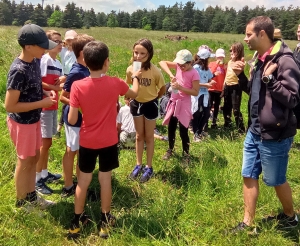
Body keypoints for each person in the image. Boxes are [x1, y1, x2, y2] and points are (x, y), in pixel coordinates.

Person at [232, 16, 300, 233]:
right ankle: (247, 223)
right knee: (248, 174)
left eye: (249, 34)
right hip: (254, 131)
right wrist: (242, 77)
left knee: (275, 180)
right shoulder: (260, 58)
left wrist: (271, 81)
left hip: (276, 133)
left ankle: (290, 217)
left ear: (262, 34)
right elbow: (254, 91)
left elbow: (292, 98)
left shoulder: (285, 60)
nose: (245, 39)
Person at [67, 41, 140, 238]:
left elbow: (72, 118)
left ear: (86, 61)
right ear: (106, 62)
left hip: (87, 140)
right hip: (108, 141)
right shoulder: (115, 82)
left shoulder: (77, 86)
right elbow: (134, 93)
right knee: (105, 179)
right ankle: (105, 222)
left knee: (83, 180)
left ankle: (76, 222)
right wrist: (135, 76)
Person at [5, 24, 57, 209]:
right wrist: (41, 104)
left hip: (34, 119)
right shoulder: (19, 70)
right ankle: (22, 202)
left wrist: (45, 94)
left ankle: (31, 196)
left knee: (34, 157)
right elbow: (9, 105)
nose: (46, 49)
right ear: (28, 46)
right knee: (25, 161)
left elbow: (36, 85)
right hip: (22, 123)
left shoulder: (34, 61)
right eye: (42, 45)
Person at [60, 34, 95, 197]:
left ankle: (81, 184)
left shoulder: (86, 69)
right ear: (82, 52)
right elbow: (63, 96)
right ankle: (68, 186)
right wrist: (80, 106)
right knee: (71, 150)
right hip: (75, 119)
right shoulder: (76, 72)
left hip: (84, 118)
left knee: (81, 151)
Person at [126, 38, 166, 183]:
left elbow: (162, 88)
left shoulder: (155, 71)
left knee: (149, 137)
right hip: (136, 104)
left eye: (142, 53)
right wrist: (128, 97)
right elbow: (129, 85)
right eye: (136, 52)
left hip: (150, 105)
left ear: (149, 54)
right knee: (138, 136)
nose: (138, 56)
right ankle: (138, 164)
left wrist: (155, 98)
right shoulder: (131, 69)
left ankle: (149, 167)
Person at [159, 49, 200, 164]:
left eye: (183, 65)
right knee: (171, 127)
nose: (180, 67)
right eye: (179, 65)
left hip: (185, 103)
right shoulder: (178, 66)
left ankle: (186, 154)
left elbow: (195, 92)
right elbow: (162, 62)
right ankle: (170, 149)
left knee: (183, 130)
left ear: (190, 63)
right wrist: (171, 75)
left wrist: (181, 87)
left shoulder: (194, 74)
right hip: (174, 101)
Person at [35, 30, 63, 195]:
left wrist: (62, 80)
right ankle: (37, 178)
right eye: (56, 41)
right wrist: (54, 88)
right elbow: (39, 82)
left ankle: (44, 173)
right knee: (43, 144)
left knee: (49, 142)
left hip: (53, 105)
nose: (60, 45)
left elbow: (55, 82)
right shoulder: (44, 60)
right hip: (45, 106)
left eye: (61, 42)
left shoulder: (57, 63)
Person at [56, 30, 78, 138]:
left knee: (67, 101)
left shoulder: (77, 51)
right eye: (68, 40)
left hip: (72, 77)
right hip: (64, 75)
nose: (70, 42)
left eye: (72, 40)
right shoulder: (63, 50)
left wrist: (66, 77)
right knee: (65, 100)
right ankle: (61, 127)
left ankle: (60, 127)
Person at [191, 47, 215, 141]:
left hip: (205, 94)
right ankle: (196, 133)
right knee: (196, 113)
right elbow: (194, 83)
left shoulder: (206, 68)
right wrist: (206, 84)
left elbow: (209, 77)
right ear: (205, 58)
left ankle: (200, 131)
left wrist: (211, 82)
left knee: (206, 114)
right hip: (197, 94)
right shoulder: (196, 68)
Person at [222, 42, 246, 133]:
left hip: (236, 87)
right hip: (227, 86)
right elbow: (227, 75)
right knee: (226, 107)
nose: (231, 52)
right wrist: (223, 86)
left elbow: (240, 72)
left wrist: (236, 61)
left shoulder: (240, 62)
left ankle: (241, 128)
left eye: (233, 50)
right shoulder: (229, 62)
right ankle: (227, 124)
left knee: (236, 109)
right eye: (230, 50)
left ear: (239, 51)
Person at [208, 48, 227, 129]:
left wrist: (223, 89)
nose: (220, 59)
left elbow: (226, 77)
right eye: (219, 57)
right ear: (215, 57)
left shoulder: (224, 66)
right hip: (211, 89)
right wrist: (216, 64)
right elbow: (210, 73)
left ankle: (214, 122)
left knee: (216, 106)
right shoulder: (211, 64)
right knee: (208, 105)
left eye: (222, 57)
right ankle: (206, 121)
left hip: (219, 90)